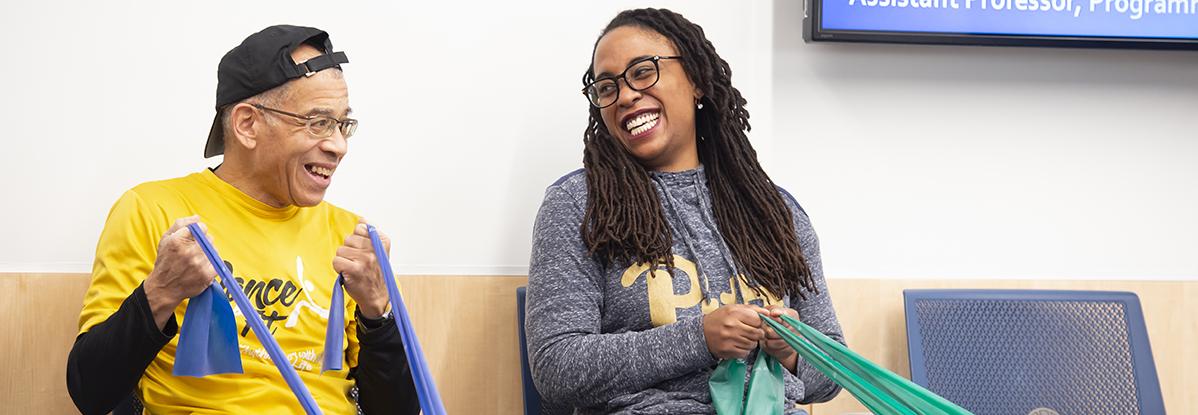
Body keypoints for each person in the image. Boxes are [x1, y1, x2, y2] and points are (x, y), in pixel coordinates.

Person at [66, 25, 419, 414]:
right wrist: (161, 291)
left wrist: (378, 313)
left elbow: (397, 410)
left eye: (342, 124)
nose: (338, 145)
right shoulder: (154, 210)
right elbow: (90, 390)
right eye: (318, 122)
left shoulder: (352, 240)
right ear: (247, 124)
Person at [525, 8, 845, 414]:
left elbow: (833, 375)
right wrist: (699, 338)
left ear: (695, 80)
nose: (624, 95)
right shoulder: (578, 206)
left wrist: (792, 349)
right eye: (607, 87)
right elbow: (557, 368)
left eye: (642, 72)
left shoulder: (774, 212)